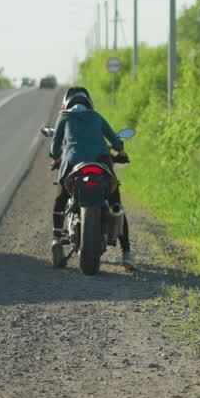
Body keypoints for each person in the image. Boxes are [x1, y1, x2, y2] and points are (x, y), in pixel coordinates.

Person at [49, 87, 134, 269]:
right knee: (116, 205)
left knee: (61, 199)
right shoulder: (96, 116)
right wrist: (121, 151)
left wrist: (56, 156)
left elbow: (54, 149)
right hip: (100, 165)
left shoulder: (64, 117)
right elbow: (115, 140)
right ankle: (127, 253)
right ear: (89, 104)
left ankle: (56, 239)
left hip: (73, 166)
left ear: (66, 104)